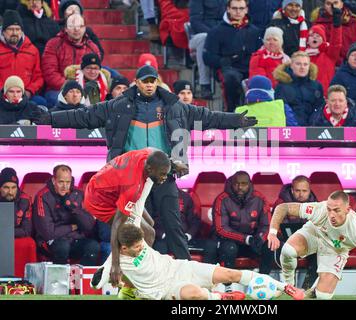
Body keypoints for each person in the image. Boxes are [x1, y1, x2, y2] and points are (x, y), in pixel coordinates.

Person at [38, 64, 258, 262]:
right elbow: (84, 116)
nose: (150, 85)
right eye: (146, 82)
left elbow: (208, 117)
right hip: (132, 179)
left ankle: (185, 271)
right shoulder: (117, 106)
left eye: (153, 81)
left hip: (165, 174)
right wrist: (51, 118)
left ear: (157, 82)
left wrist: (236, 121)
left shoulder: (175, 107)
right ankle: (133, 270)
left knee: (173, 227)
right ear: (137, 83)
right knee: (134, 228)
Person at [116, 223, 305, 300]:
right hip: (167, 288)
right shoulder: (117, 262)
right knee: (193, 294)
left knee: (230, 274)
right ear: (124, 248)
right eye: (137, 247)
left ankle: (285, 287)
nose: (142, 247)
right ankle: (221, 297)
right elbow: (100, 280)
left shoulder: (138, 240)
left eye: (141, 244)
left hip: (181, 268)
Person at [83, 148, 173, 292]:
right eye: (162, 174)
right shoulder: (134, 186)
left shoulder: (147, 156)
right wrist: (115, 265)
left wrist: (172, 164)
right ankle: (114, 273)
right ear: (150, 169)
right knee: (144, 234)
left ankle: (134, 275)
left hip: (113, 189)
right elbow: (118, 225)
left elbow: (160, 158)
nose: (164, 178)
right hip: (100, 201)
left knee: (150, 226)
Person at [32, 164, 100, 266]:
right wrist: (73, 226)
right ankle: (60, 280)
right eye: (61, 182)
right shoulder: (43, 196)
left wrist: (73, 209)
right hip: (51, 241)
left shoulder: (78, 194)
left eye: (68, 182)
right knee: (63, 247)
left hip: (75, 238)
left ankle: (80, 278)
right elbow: (48, 233)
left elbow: (89, 226)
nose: (65, 186)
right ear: (54, 180)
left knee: (93, 246)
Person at [213, 171, 275, 277]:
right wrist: (245, 239)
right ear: (232, 183)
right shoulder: (222, 199)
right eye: (236, 184)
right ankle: (227, 285)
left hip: (253, 241)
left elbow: (267, 225)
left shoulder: (260, 199)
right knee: (229, 248)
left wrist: (261, 238)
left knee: (269, 246)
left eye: (244, 184)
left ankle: (263, 280)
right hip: (231, 241)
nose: (240, 187)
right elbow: (221, 229)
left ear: (249, 184)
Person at [203, 0, 262, 111]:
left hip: (250, 68)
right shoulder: (216, 32)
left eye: (241, 8)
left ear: (246, 10)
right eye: (234, 8)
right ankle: (231, 111)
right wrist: (224, 61)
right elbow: (207, 57)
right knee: (231, 78)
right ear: (228, 9)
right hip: (228, 68)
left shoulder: (255, 31)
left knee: (261, 78)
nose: (238, 12)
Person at [42, 13, 101, 107]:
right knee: (58, 99)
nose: (76, 29)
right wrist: (70, 88)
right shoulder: (53, 44)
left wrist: (81, 90)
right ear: (65, 28)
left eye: (80, 26)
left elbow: (96, 72)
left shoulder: (93, 47)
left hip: (85, 88)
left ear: (85, 28)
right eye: (72, 26)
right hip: (58, 88)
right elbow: (50, 73)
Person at [272, 175, 318, 290]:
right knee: (283, 249)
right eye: (297, 190)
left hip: (307, 241)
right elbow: (276, 226)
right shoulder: (281, 203)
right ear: (292, 190)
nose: (301, 194)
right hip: (284, 240)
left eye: (304, 191)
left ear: (309, 191)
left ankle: (306, 290)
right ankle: (288, 287)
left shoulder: (316, 204)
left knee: (319, 252)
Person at [152, 188, 218, 264]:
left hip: (185, 237)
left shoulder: (185, 197)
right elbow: (151, 221)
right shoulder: (155, 197)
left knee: (211, 245)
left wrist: (188, 235)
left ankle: (204, 274)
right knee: (159, 247)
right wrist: (163, 235)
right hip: (165, 237)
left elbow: (195, 221)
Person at [0, 10, 45, 106]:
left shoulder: (32, 50)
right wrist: (4, 91)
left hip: (26, 96)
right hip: (2, 96)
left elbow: (38, 77)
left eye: (17, 29)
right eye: (11, 29)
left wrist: (29, 91)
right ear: (3, 31)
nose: (14, 32)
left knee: (41, 103)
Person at [0, 167, 37, 278]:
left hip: (13, 234)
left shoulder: (25, 200)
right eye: (6, 187)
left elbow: (26, 231)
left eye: (13, 188)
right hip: (12, 232)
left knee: (29, 243)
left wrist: (4, 232)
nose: (10, 192)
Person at [274, 51, 325, 126]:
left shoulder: (316, 86)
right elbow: (281, 111)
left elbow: (319, 109)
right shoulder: (282, 87)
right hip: (290, 129)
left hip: (313, 129)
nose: (302, 67)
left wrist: (313, 124)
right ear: (291, 65)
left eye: (305, 64)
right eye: (298, 64)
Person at [188, 0, 227, 99]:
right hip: (199, 36)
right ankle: (205, 85)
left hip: (221, 35)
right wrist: (213, 35)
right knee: (204, 38)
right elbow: (195, 22)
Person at [311, 0, 356, 65]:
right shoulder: (318, 23)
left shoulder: (353, 21)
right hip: (327, 64)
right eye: (328, 4)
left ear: (342, 4)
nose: (332, 7)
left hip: (351, 64)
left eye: (335, 3)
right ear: (324, 5)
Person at [305, 18, 342, 94]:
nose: (314, 37)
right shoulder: (302, 56)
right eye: (312, 35)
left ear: (323, 40)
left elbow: (336, 42)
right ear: (307, 41)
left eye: (318, 36)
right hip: (307, 94)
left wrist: (337, 26)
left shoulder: (329, 54)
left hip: (325, 94)